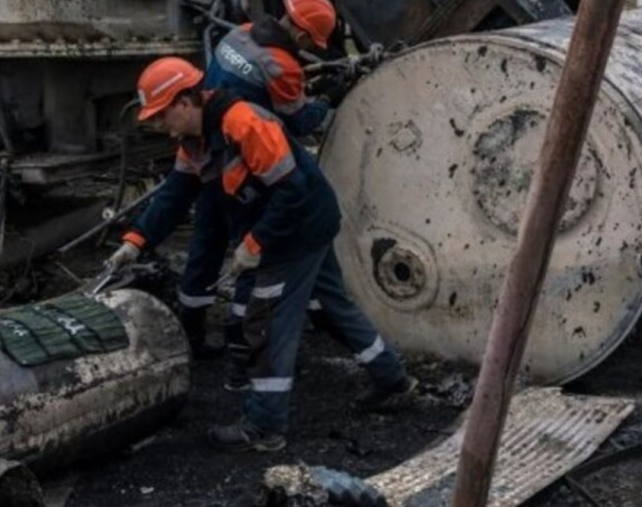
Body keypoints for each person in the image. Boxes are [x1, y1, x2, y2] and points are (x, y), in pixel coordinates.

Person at [108, 56, 416, 452]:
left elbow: (293, 190)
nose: (159, 127)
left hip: (297, 226)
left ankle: (265, 427)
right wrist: (135, 241)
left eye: (160, 116)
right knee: (332, 305)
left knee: (267, 322)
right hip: (301, 223)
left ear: (185, 102)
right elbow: (176, 194)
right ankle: (394, 379)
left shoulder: (244, 123)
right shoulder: (194, 142)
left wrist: (255, 244)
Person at [181, 0, 340, 381]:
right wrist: (328, 98)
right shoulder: (282, 67)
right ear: (302, 36)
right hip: (244, 168)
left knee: (206, 242)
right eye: (310, 43)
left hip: (207, 157)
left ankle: (192, 332)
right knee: (251, 252)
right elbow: (299, 122)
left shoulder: (239, 34)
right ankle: (241, 339)